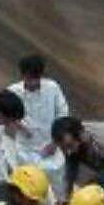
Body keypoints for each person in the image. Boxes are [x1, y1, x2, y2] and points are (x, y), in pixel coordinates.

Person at [7, 54, 69, 197]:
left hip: (51, 149)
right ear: (23, 76)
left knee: (56, 188)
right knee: (29, 190)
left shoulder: (52, 88)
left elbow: (63, 113)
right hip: (25, 151)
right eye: (30, 78)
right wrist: (19, 126)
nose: (34, 83)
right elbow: (3, 112)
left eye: (36, 78)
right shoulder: (13, 92)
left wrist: (55, 142)